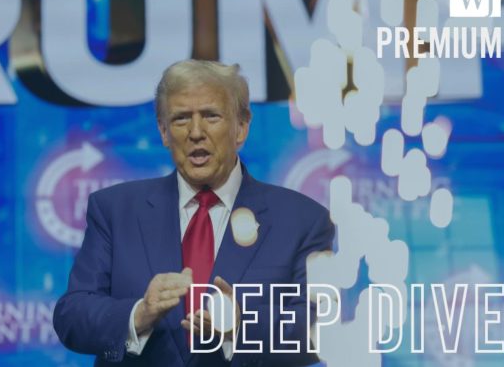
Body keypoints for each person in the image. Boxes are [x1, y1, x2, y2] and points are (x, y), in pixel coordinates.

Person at [53, 59, 335, 366]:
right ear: (163, 132)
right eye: (180, 119)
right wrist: (139, 313)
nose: (196, 132)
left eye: (211, 116)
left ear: (241, 127)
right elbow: (72, 316)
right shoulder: (114, 210)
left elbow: (319, 329)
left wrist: (241, 328)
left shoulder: (303, 221)